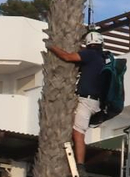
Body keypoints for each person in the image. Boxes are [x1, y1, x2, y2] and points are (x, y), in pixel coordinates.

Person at [46, 32, 108, 165]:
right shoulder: (101, 58)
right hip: (94, 102)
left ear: (88, 44)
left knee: (78, 133)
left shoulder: (90, 55)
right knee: (76, 130)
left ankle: (80, 165)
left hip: (86, 101)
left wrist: (51, 47)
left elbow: (67, 57)